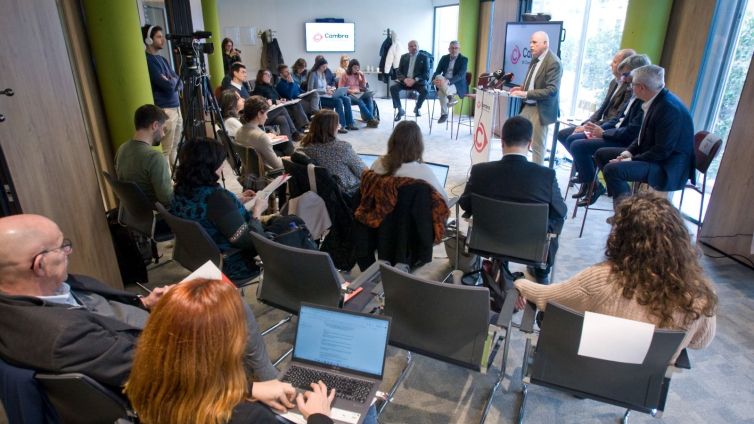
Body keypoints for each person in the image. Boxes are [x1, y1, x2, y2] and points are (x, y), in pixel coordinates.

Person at [0, 214, 278, 388]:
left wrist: (144, 303)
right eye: (62, 247)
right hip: (158, 349)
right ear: (39, 265)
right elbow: (158, 372)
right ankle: (267, 380)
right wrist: (249, 391)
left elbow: (101, 308)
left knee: (216, 291)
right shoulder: (62, 336)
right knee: (230, 302)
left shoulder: (36, 291)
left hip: (137, 320)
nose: (68, 251)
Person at [515, 192, 717, 362]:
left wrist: (520, 283)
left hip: (586, 368)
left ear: (621, 237)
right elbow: (700, 342)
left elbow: (549, 298)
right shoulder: (700, 294)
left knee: (553, 314)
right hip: (643, 382)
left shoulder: (602, 279)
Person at [125, 278, 335, 424]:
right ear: (226, 345)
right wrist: (319, 416)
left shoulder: (146, 385)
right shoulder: (246, 417)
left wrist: (249, 389)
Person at [171, 138, 303, 280]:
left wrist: (236, 200)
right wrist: (257, 211)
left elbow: (206, 210)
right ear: (210, 165)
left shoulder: (181, 190)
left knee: (284, 221)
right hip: (233, 260)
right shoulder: (217, 198)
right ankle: (301, 282)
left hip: (201, 255)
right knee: (294, 224)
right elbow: (247, 240)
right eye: (221, 161)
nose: (223, 165)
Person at [459, 116, 566, 284]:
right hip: (530, 246)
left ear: (502, 142)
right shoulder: (546, 176)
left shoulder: (480, 171)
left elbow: (465, 204)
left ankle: (499, 263)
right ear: (530, 144)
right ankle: (542, 273)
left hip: (488, 241)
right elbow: (561, 211)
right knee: (556, 220)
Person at [593, 64, 695, 206]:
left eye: (632, 84)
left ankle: (626, 212)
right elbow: (642, 136)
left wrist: (631, 159)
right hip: (654, 155)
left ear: (641, 88)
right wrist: (628, 152)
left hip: (667, 166)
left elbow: (662, 151)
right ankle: (626, 203)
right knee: (601, 154)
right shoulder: (656, 100)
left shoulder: (668, 109)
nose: (630, 88)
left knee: (613, 170)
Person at [570, 54, 651, 203]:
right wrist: (596, 129)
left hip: (627, 143)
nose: (623, 78)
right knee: (574, 140)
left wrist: (604, 134)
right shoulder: (633, 92)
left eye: (626, 74)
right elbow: (616, 118)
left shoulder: (644, 97)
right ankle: (594, 186)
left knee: (578, 145)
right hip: (617, 135)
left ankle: (601, 190)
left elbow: (632, 132)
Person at [557, 48, 636, 152]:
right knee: (562, 134)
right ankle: (586, 163)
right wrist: (586, 124)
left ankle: (588, 163)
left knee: (574, 141)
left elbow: (617, 117)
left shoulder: (630, 88)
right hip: (601, 124)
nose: (611, 64)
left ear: (624, 66)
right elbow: (602, 108)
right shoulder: (614, 82)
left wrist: (592, 128)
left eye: (615, 62)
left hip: (609, 129)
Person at [510, 31, 563, 165]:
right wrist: (522, 88)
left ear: (545, 44)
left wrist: (526, 93)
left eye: (534, 42)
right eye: (530, 42)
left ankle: (537, 177)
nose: (531, 45)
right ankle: (518, 167)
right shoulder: (536, 58)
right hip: (528, 105)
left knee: (538, 146)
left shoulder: (554, 62)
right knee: (517, 136)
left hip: (541, 108)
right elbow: (534, 81)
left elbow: (551, 91)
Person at [370, 121, 448, 203]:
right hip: (413, 215)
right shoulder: (423, 172)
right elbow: (444, 200)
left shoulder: (378, 163)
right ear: (418, 145)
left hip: (379, 214)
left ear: (392, 140)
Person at [298, 110, 367, 199]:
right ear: (332, 127)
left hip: (323, 193)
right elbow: (363, 173)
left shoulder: (305, 147)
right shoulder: (342, 148)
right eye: (338, 124)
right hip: (348, 193)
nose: (340, 126)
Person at [114, 104, 173, 205]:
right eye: (163, 129)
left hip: (135, 212)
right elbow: (167, 200)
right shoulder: (155, 158)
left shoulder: (122, 149)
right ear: (155, 125)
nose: (163, 134)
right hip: (156, 213)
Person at [142, 25, 183, 167]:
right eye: (159, 37)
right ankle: (168, 186)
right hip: (165, 111)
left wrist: (171, 80)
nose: (163, 40)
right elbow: (168, 85)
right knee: (165, 151)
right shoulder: (148, 60)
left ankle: (177, 179)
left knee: (175, 148)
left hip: (176, 109)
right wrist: (172, 81)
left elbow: (179, 82)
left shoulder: (163, 60)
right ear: (148, 39)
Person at [235, 96, 294, 171]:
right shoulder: (261, 136)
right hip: (266, 174)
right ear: (259, 114)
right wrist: (289, 159)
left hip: (250, 172)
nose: (267, 117)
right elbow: (278, 166)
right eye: (266, 113)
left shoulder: (239, 132)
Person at [308, 57, 357, 133]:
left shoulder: (323, 74)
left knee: (346, 99)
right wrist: (325, 91)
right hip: (319, 98)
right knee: (338, 101)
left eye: (326, 66)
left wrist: (330, 88)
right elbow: (310, 90)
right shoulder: (313, 74)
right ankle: (341, 126)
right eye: (323, 67)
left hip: (326, 95)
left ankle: (350, 123)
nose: (325, 68)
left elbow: (324, 85)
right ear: (318, 66)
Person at [391, 40, 431, 121]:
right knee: (393, 88)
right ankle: (400, 110)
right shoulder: (403, 57)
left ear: (418, 47)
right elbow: (399, 72)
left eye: (415, 45)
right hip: (405, 82)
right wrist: (405, 79)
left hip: (417, 83)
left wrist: (415, 80)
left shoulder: (424, 57)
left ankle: (417, 107)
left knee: (425, 91)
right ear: (408, 48)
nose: (414, 48)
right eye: (411, 46)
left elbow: (426, 74)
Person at [432, 40, 468, 124]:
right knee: (438, 77)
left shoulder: (464, 59)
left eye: (456, 48)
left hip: (457, 84)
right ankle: (450, 97)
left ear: (459, 49)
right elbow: (437, 71)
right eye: (452, 48)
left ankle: (444, 114)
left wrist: (449, 81)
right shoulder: (444, 58)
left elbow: (461, 75)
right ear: (449, 49)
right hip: (443, 81)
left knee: (441, 91)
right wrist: (433, 80)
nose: (454, 50)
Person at [339, 59, 379, 127]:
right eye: (355, 67)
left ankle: (369, 120)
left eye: (358, 68)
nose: (356, 69)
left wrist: (362, 76)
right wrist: (352, 91)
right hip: (349, 95)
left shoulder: (358, 75)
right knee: (359, 100)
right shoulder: (344, 75)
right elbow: (340, 88)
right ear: (350, 67)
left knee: (369, 97)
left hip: (358, 94)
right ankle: (371, 119)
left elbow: (363, 87)